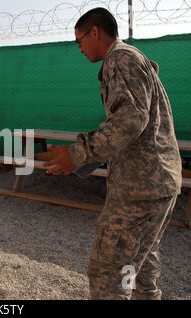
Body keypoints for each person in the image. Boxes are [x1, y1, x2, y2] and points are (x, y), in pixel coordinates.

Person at [43, 8, 182, 299]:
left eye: (78, 41)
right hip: (158, 182)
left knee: (108, 275)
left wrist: (78, 153)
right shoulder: (133, 58)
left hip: (140, 190)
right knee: (140, 270)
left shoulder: (120, 58)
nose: (79, 48)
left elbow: (130, 120)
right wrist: (82, 161)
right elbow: (131, 128)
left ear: (94, 32)